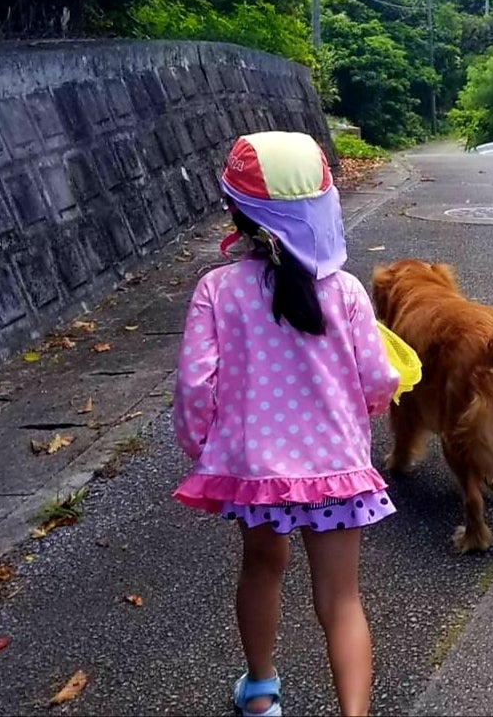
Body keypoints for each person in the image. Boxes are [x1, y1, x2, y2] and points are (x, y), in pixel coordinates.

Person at [171, 131, 400, 717]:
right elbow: (378, 378)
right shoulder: (345, 291)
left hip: (256, 473)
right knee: (342, 599)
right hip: (336, 469)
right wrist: (363, 415)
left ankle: (261, 692)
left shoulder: (218, 290)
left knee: (261, 569)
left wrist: (203, 449)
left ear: (236, 211)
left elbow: (196, 386)